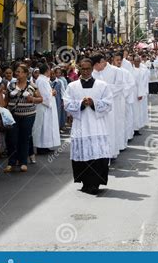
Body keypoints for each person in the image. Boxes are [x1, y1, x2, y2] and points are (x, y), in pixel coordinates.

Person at [63, 59, 113, 195]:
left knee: (97, 155)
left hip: (97, 126)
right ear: (79, 69)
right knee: (83, 155)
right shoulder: (72, 86)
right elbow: (66, 103)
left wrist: (93, 103)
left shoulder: (102, 85)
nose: (85, 71)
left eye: (88, 69)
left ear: (92, 69)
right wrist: (80, 103)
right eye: (83, 69)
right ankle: (86, 183)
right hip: (81, 126)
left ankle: (95, 183)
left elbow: (108, 103)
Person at [4, 64, 41, 173]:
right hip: (13, 115)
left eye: (19, 72)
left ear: (25, 73)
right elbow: (6, 99)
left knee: (25, 138)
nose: (17, 73)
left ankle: (23, 162)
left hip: (28, 116)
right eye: (16, 71)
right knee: (12, 139)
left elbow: (40, 99)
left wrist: (32, 99)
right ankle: (11, 162)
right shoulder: (11, 85)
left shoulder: (32, 85)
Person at [32, 64, 61, 154]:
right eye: (49, 70)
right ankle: (41, 147)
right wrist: (52, 92)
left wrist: (51, 92)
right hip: (44, 107)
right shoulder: (42, 81)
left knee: (46, 127)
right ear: (47, 71)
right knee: (43, 126)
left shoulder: (42, 80)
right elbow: (44, 96)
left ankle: (45, 146)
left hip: (46, 107)